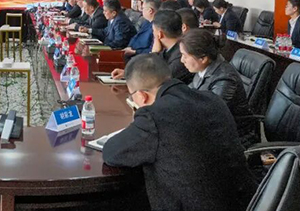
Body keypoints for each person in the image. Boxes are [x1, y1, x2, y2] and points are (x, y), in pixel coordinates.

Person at [103, 54, 256, 211]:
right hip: (247, 204)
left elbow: (111, 152)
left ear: (142, 96)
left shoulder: (153, 117)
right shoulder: (213, 99)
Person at [179, 29, 257, 147]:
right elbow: (188, 94)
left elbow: (209, 115)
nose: (182, 60)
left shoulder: (225, 79)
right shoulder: (204, 68)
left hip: (233, 138)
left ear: (203, 58)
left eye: (185, 56)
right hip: (212, 132)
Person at [112, 10, 194, 85]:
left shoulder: (182, 55)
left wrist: (154, 54)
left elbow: (158, 81)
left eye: (153, 31)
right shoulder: (168, 49)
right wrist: (127, 74)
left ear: (159, 34)